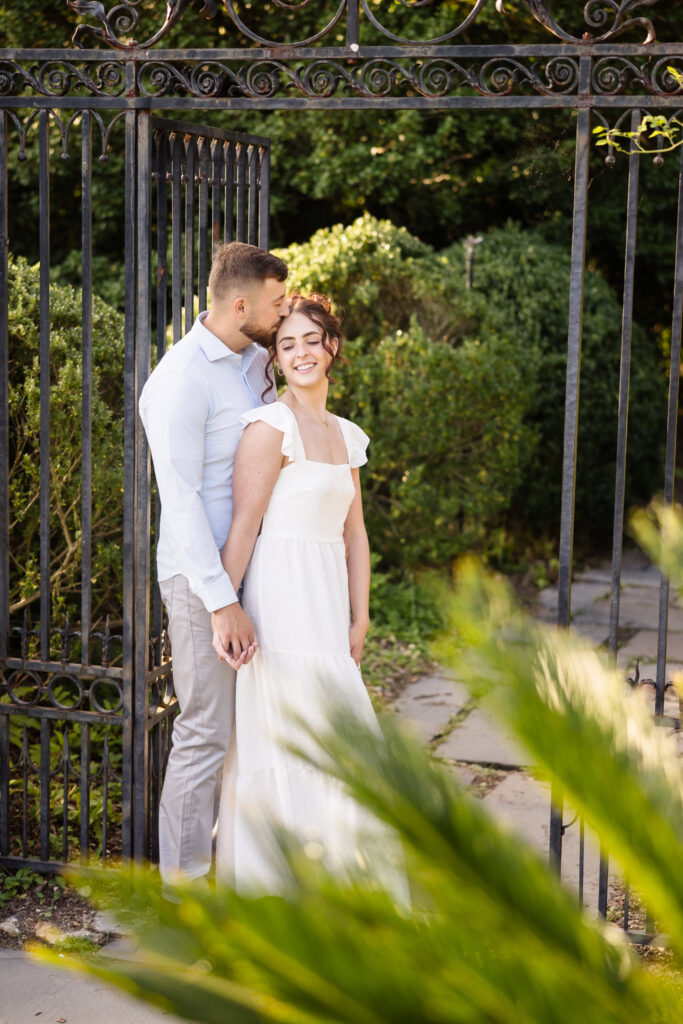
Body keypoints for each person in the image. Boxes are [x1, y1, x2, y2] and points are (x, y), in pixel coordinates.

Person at [213, 294, 407, 898]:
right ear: (275, 356)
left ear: (332, 348)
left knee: (342, 743)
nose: (300, 352)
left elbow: (355, 533)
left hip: (327, 609)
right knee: (282, 741)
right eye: (287, 343)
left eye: (310, 340)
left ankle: (343, 894)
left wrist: (361, 615)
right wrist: (226, 609)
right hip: (277, 603)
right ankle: (279, 898)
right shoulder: (270, 426)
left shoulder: (347, 436)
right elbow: (243, 526)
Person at [139, 241, 290, 888]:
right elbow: (181, 501)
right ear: (239, 304)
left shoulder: (253, 359)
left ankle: (241, 873)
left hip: (262, 571)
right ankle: (182, 895)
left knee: (249, 731)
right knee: (204, 733)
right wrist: (220, 600)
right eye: (277, 303)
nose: (284, 314)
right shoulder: (178, 382)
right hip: (202, 584)